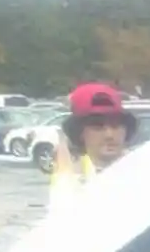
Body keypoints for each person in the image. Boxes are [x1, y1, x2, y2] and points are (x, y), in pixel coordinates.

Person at [49, 82, 137, 212]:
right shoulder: (70, 179)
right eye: (98, 127)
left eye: (116, 126)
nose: (109, 135)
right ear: (80, 133)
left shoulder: (143, 168)